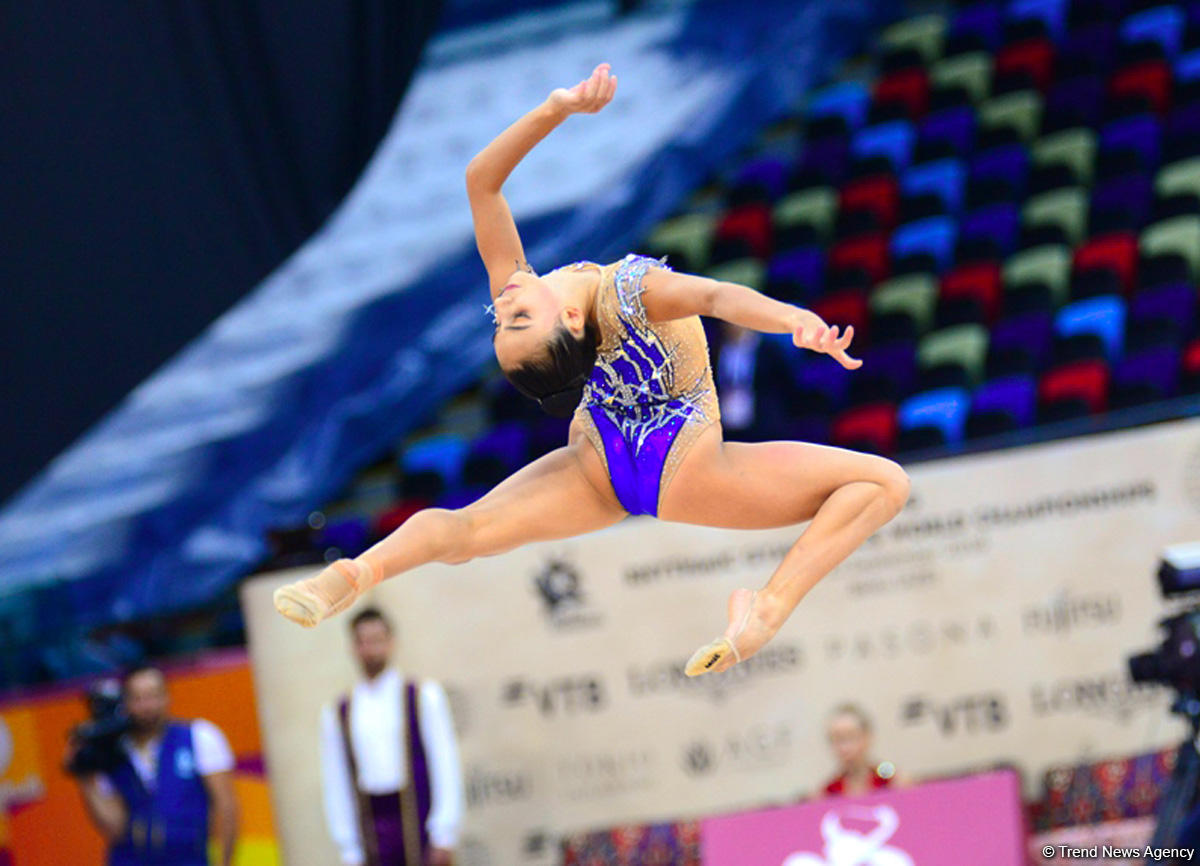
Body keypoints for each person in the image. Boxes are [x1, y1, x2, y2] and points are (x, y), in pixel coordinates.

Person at [273, 62, 911, 677]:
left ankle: (356, 573)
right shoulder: (631, 291)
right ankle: (766, 610)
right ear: (570, 326)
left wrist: (557, 109)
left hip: (598, 465)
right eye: (513, 323)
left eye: (502, 323)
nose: (502, 308)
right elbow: (717, 299)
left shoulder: (522, 287)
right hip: (681, 461)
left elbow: (481, 182)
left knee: (468, 531)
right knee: (882, 484)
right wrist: (792, 318)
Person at [319, 607, 464, 866]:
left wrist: (444, 833)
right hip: (370, 825)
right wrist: (349, 847)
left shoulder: (423, 696)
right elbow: (336, 780)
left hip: (418, 818)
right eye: (363, 642)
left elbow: (445, 762)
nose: (370, 649)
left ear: (391, 642)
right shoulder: (338, 712)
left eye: (377, 640)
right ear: (353, 647)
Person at [66, 665, 238, 866]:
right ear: (125, 703)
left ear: (167, 697)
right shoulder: (110, 752)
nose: (147, 706)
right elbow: (115, 828)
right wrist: (86, 779)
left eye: (153, 696)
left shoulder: (199, 736)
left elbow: (226, 805)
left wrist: (225, 862)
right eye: (138, 698)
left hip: (188, 858)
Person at [821, 703, 911, 797]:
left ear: (867, 737)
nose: (844, 748)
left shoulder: (891, 780)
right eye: (838, 740)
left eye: (851, 737)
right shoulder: (829, 792)